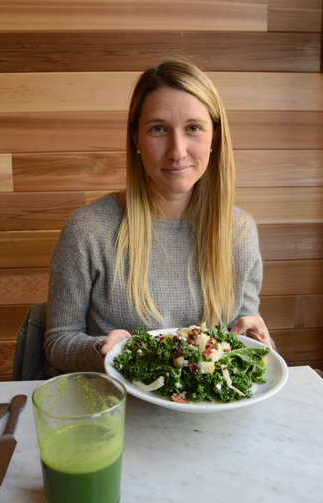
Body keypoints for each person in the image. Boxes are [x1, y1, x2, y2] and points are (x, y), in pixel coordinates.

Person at [45, 59, 272, 374]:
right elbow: (58, 341)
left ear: (215, 137)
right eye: (158, 129)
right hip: (116, 408)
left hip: (208, 414)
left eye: (193, 128)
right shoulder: (87, 230)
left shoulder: (239, 231)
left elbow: (241, 336)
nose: (176, 151)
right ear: (136, 138)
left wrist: (254, 344)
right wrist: (102, 350)